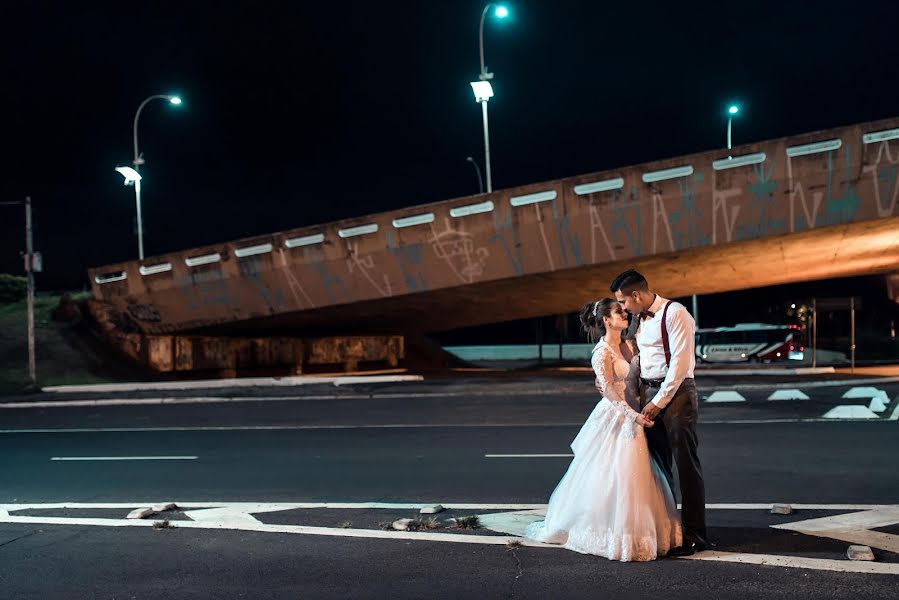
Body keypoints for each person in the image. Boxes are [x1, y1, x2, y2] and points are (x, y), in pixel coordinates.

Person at [525, 298, 682, 561]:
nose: (624, 314)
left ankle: (647, 529)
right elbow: (609, 390)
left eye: (623, 311)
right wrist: (632, 416)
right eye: (619, 312)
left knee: (643, 474)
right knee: (621, 475)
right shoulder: (601, 352)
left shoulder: (631, 343)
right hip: (618, 416)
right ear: (607, 320)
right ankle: (617, 535)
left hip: (638, 412)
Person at [610, 268, 708, 556]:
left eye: (624, 301)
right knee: (659, 466)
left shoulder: (676, 313)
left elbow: (680, 365)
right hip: (649, 392)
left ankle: (695, 535)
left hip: (676, 395)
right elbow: (642, 358)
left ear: (636, 295)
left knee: (686, 464)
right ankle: (670, 529)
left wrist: (658, 401)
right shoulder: (640, 320)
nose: (623, 307)